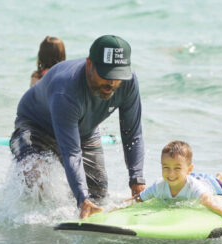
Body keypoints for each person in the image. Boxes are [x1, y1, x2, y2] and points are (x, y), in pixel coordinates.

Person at [10, 35, 146, 218]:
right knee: (38, 181)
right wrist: (82, 198)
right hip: (35, 127)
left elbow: (133, 135)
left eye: (117, 76)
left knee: (98, 197)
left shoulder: (128, 83)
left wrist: (137, 181)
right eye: (106, 74)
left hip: (85, 131)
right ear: (89, 64)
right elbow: (72, 152)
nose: (111, 83)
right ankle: (37, 230)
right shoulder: (66, 89)